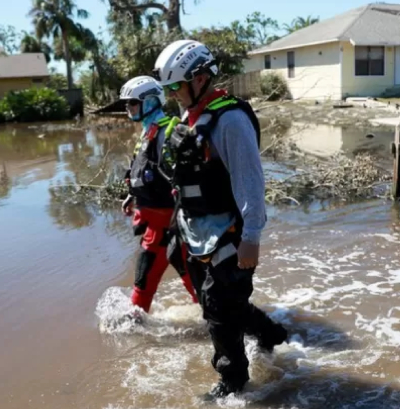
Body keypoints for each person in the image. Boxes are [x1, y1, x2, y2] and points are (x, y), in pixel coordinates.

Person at [152, 39, 288, 398]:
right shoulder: (190, 116)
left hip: (231, 234)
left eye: (174, 86)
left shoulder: (230, 120)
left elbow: (250, 182)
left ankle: (233, 385)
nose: (171, 94)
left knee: (218, 311)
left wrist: (252, 237)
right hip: (198, 233)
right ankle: (272, 334)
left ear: (199, 79)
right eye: (166, 88)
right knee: (222, 305)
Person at [119, 76, 198, 313]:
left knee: (197, 286)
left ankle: (225, 329)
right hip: (155, 228)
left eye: (132, 102)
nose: (128, 108)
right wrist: (132, 196)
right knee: (146, 286)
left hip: (173, 229)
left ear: (151, 101)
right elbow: (146, 172)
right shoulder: (148, 133)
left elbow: (185, 181)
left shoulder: (167, 134)